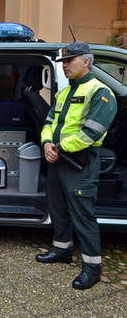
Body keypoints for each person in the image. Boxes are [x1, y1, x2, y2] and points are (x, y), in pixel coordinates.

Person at [37, 41, 117, 290]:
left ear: (86, 61)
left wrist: (59, 148)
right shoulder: (64, 92)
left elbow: (91, 134)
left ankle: (92, 269)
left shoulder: (100, 93)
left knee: (83, 216)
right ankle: (62, 250)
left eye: (70, 61)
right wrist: (47, 142)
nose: (65, 66)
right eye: (63, 62)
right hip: (58, 161)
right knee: (58, 209)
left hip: (79, 164)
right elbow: (49, 122)